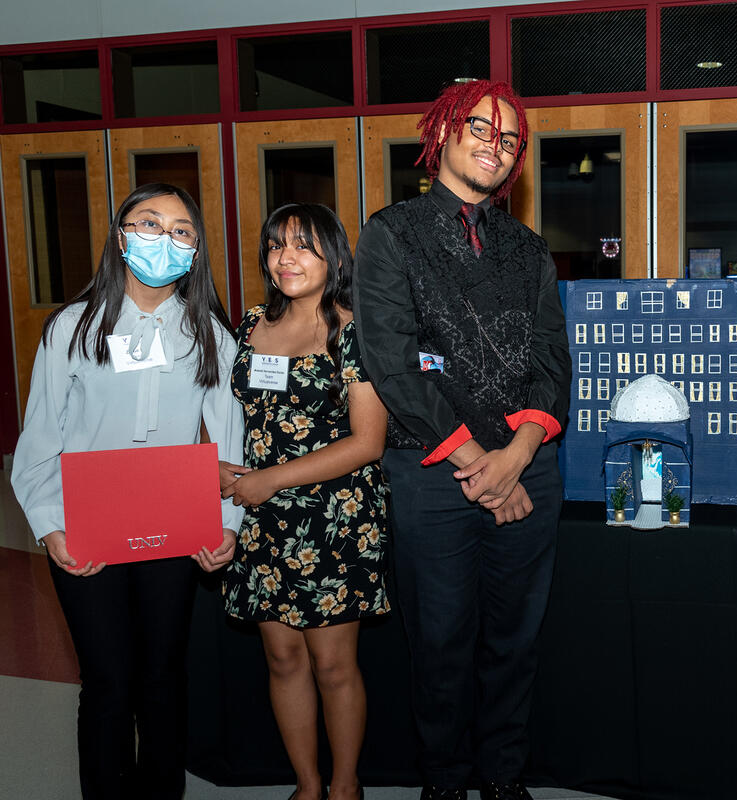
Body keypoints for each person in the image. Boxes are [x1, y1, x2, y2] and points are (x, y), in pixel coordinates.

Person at [353, 79, 570, 800]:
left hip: (527, 470)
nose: (494, 146)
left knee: (516, 645)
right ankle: (443, 782)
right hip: (432, 475)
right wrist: (480, 463)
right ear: (443, 131)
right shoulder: (391, 232)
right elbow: (391, 357)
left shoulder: (529, 247)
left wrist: (515, 459)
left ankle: (504, 778)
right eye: (481, 128)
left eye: (509, 139)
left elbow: (551, 363)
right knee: (440, 648)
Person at [11, 182, 242, 800]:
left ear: (196, 251)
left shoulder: (213, 335)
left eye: (181, 230)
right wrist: (50, 525)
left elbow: (228, 445)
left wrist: (226, 524)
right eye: (148, 223)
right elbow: (39, 440)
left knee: (163, 677)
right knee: (108, 680)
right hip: (86, 526)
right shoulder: (72, 328)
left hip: (173, 529)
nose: (163, 239)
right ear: (120, 235)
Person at [220, 203, 390, 800]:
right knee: (283, 660)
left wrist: (272, 479)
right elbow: (220, 413)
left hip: (334, 519)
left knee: (333, 666)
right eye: (275, 246)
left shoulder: (354, 329)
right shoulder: (248, 327)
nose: (285, 258)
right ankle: (308, 786)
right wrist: (217, 463)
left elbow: (368, 442)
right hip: (263, 521)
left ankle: (345, 787)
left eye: (304, 246)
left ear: (334, 257)